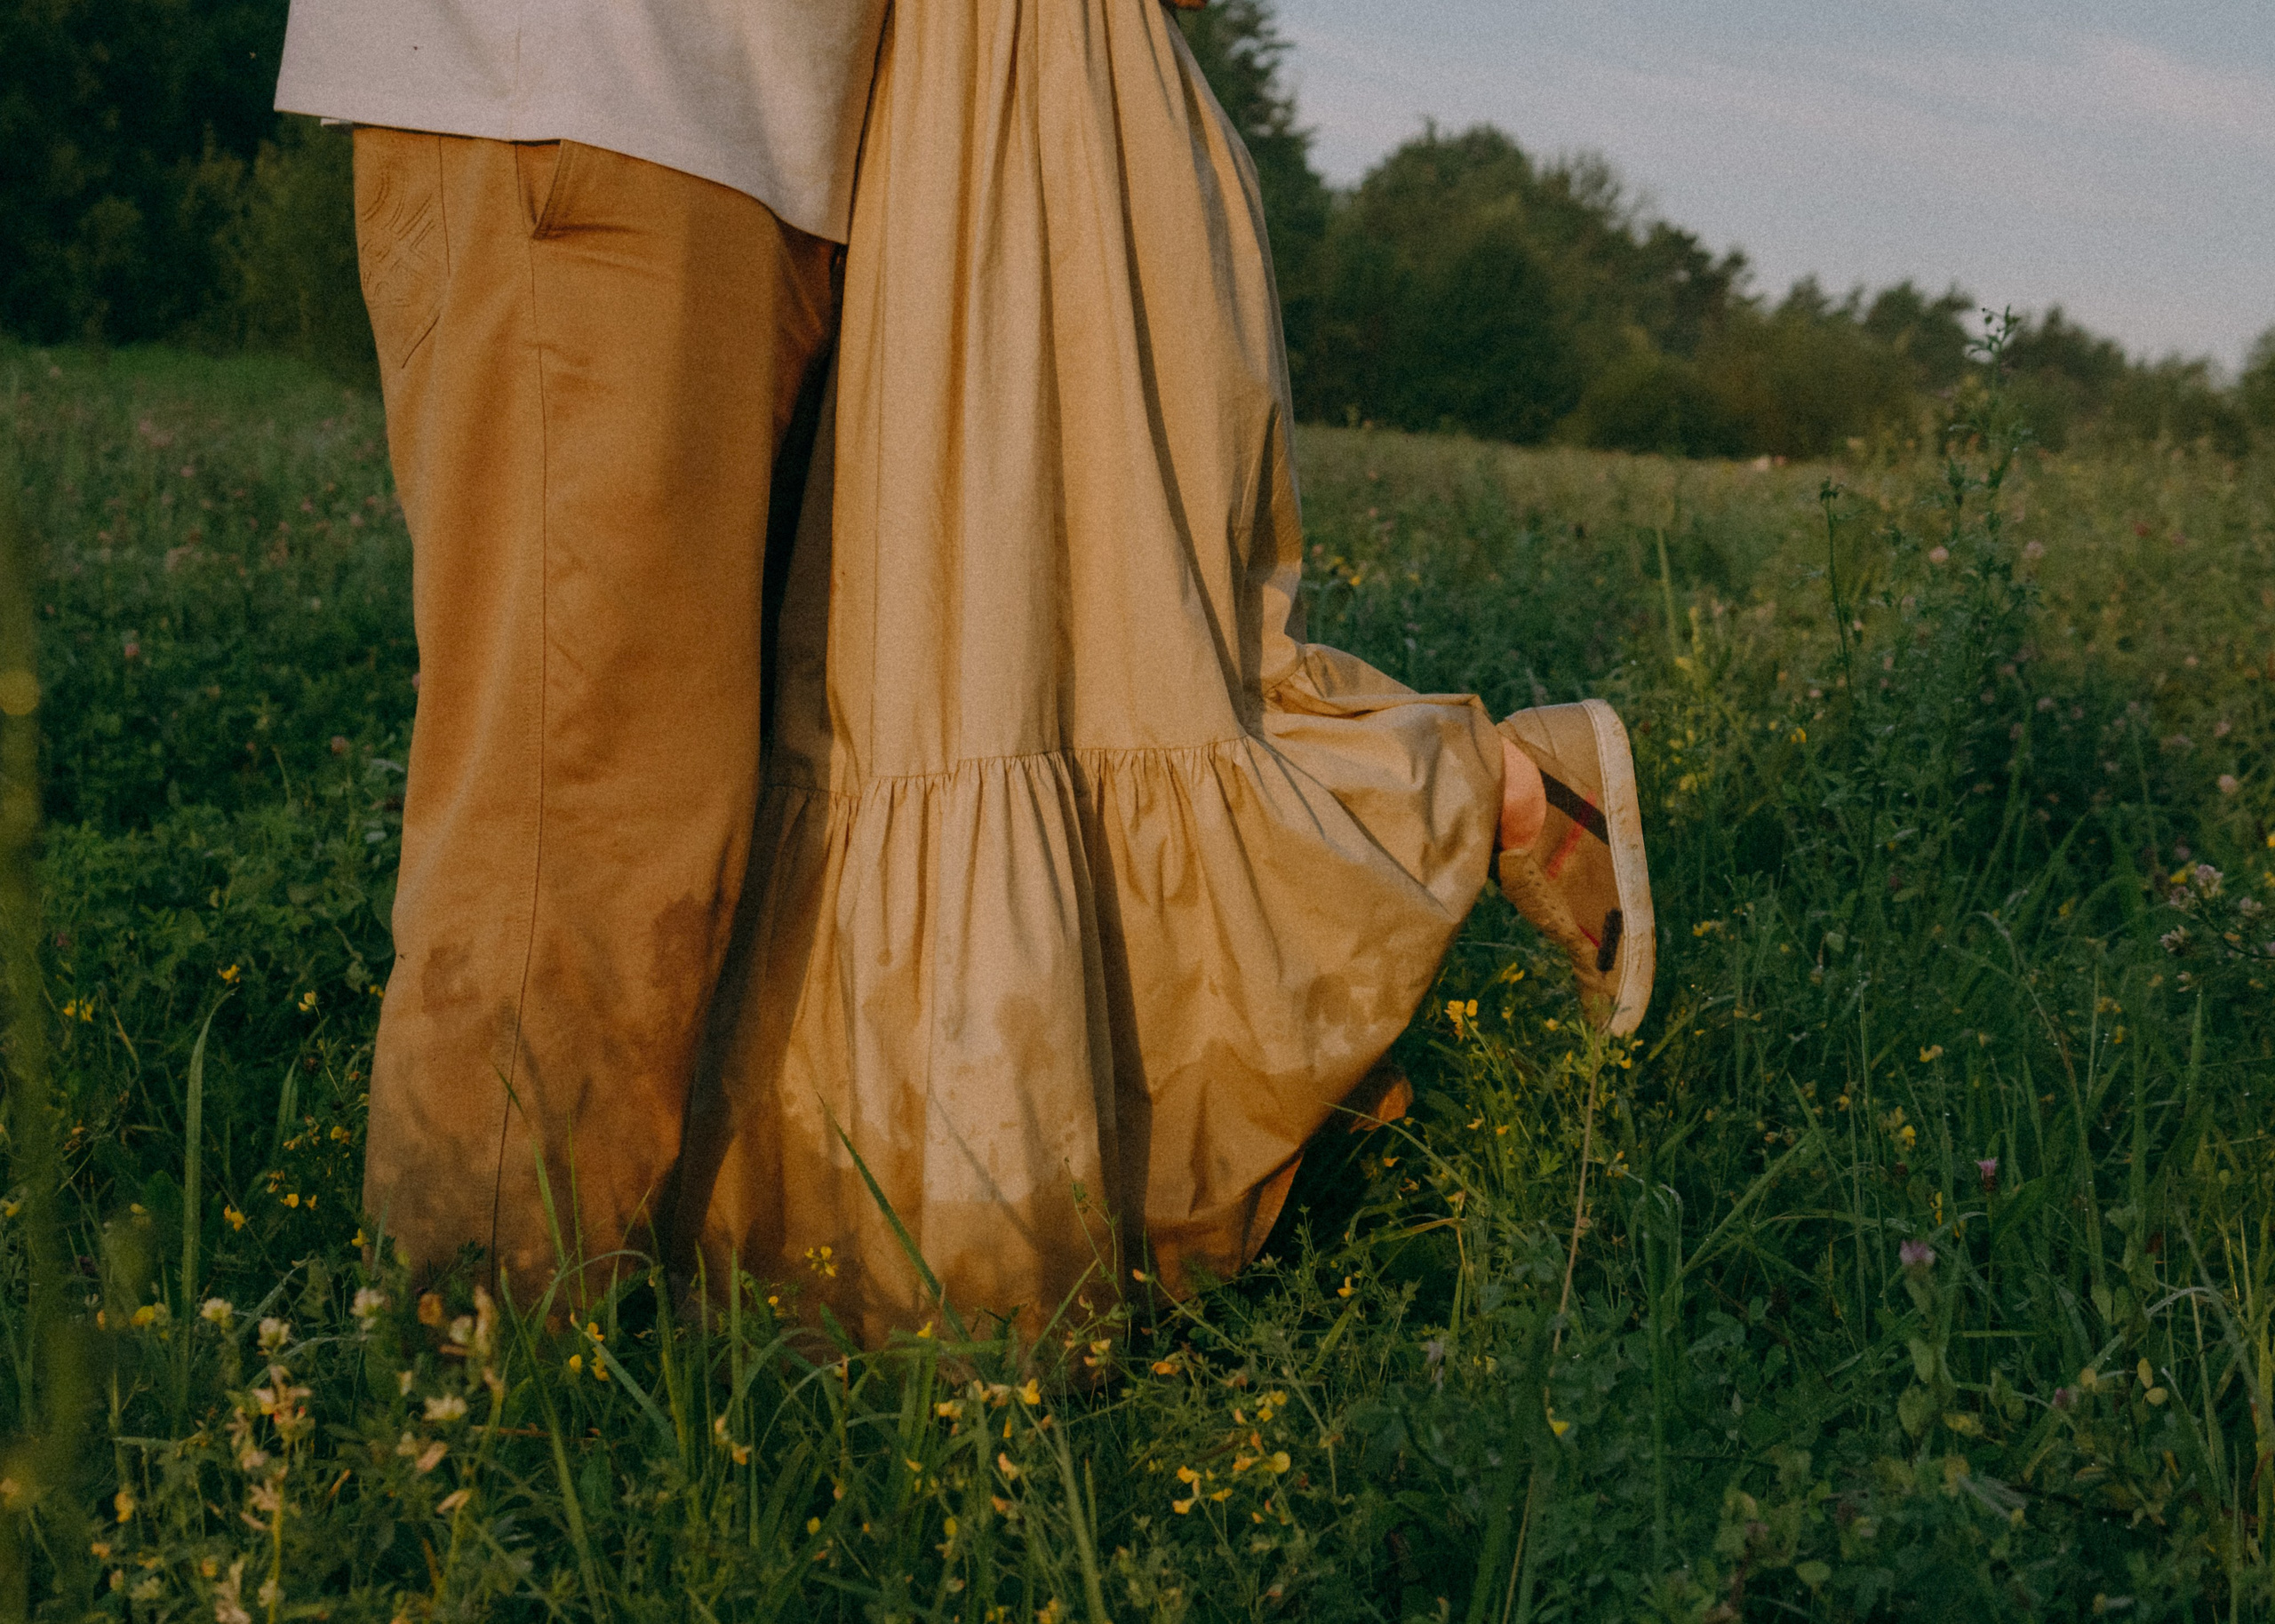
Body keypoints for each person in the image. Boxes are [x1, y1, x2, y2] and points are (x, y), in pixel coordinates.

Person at [667, 0, 1656, 1346]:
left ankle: (1505, 791)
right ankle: (1504, 795)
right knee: (933, 678)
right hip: (890, 122)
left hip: (1034, 135)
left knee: (1026, 676)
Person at [273, 2, 889, 1287]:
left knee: (667, 777)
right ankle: (485, 1395)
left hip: (727, 138)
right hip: (601, 95)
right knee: (581, 790)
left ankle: (588, 1322)